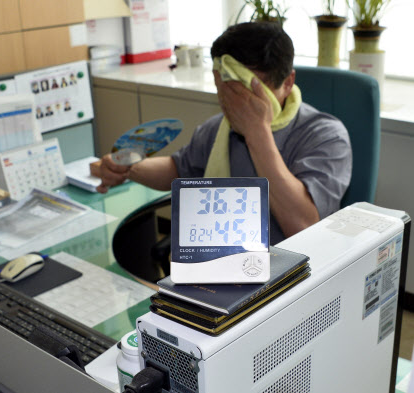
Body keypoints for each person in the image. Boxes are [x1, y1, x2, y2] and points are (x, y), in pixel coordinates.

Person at [96, 22, 352, 245]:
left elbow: (303, 225)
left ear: (287, 82)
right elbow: (180, 168)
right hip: (219, 266)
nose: (237, 105)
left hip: (288, 277)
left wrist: (257, 132)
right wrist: (128, 168)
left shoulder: (326, 136)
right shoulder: (219, 129)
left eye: (248, 94)